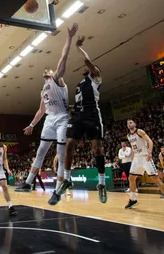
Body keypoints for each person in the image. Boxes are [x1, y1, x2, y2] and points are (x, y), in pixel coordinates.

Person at [16, 24, 79, 207]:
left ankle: (58, 191)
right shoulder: (43, 89)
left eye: (49, 70)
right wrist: (32, 125)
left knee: (59, 153)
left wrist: (69, 37)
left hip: (61, 118)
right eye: (46, 71)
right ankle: (28, 183)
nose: (47, 70)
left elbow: (64, 56)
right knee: (40, 152)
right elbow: (41, 111)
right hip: (49, 120)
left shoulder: (58, 79)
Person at [53, 35, 107, 204]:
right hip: (77, 116)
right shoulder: (79, 85)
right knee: (69, 144)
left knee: (97, 149)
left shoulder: (96, 77)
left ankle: (102, 183)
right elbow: (76, 103)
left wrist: (77, 46)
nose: (88, 68)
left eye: (91, 67)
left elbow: (87, 60)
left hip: (92, 115)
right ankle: (67, 179)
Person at [124, 119, 164, 212]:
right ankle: (133, 199)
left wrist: (150, 152)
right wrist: (132, 159)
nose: (129, 124)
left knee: (156, 180)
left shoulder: (139, 131)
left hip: (145, 157)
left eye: (131, 122)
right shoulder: (128, 136)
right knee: (131, 178)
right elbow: (133, 147)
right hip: (136, 158)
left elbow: (150, 141)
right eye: (127, 123)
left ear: (135, 124)